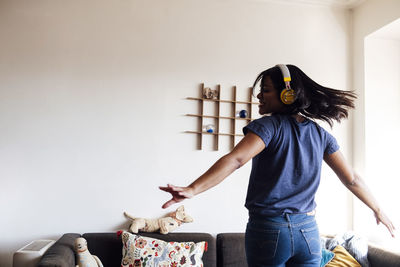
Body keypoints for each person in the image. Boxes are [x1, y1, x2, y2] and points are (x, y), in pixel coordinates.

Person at [159, 64, 395, 267]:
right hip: (309, 232)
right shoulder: (320, 135)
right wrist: (377, 209)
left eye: (266, 91)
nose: (259, 97)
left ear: (287, 95)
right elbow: (351, 178)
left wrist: (192, 189)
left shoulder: (268, 127)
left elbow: (236, 159)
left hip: (269, 230)